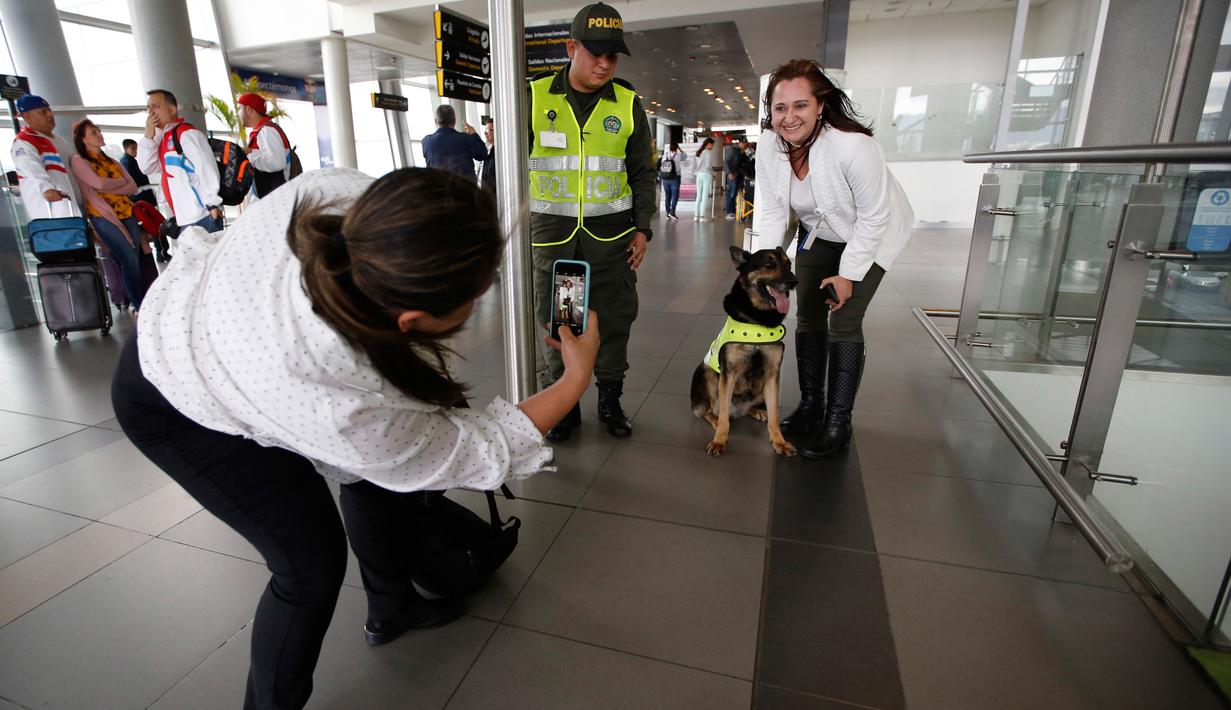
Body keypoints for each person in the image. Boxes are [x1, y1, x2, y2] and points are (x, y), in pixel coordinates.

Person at [111, 166, 600, 709]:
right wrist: (575, 378)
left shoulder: (338, 194)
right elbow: (482, 449)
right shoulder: (340, 406)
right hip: (174, 396)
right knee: (308, 566)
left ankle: (391, 606)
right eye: (477, 295)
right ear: (411, 318)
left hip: (236, 343)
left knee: (375, 482)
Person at [752, 59, 913, 459]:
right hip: (820, 232)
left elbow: (875, 216)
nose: (789, 117)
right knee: (806, 313)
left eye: (800, 105)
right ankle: (811, 405)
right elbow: (773, 209)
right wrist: (766, 268)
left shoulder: (853, 146)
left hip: (872, 234)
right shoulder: (771, 147)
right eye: (779, 108)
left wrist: (849, 273)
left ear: (821, 104)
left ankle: (838, 421)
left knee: (843, 318)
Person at [526, 1, 655, 441]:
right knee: (561, 325)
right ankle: (562, 406)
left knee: (614, 323)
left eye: (612, 56)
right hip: (555, 242)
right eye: (594, 53)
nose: (603, 63)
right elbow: (509, 169)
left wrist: (643, 228)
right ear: (571, 47)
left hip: (612, 240)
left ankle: (609, 399)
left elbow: (641, 171)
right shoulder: (535, 96)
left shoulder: (628, 102)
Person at [70, 120, 149, 312]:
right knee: (128, 258)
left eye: (98, 130)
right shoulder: (79, 161)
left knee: (134, 256)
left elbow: (131, 186)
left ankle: (138, 300)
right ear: (83, 139)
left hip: (126, 211)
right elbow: (98, 184)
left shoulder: (112, 161)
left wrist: (113, 184)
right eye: (93, 132)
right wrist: (118, 182)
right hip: (104, 216)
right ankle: (139, 304)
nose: (98, 134)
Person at [136, 89, 224, 233]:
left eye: (155, 106)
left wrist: (212, 205)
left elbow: (206, 169)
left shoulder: (186, 134)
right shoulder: (161, 140)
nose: (150, 112)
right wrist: (148, 137)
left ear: (172, 109)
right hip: (184, 217)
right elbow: (147, 168)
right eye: (148, 107)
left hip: (202, 215)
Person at [9, 95, 81, 221]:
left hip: (75, 209)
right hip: (52, 214)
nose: (50, 115)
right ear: (27, 116)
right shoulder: (24, 142)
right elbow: (31, 169)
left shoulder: (58, 139)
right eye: (43, 112)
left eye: (49, 110)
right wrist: (47, 189)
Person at [121, 138, 169, 262]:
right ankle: (161, 252)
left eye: (136, 148)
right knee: (154, 225)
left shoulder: (130, 161)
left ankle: (161, 252)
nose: (136, 151)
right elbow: (134, 184)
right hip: (142, 200)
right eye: (133, 148)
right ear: (126, 149)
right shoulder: (128, 162)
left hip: (142, 199)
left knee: (153, 226)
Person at [237, 92, 292, 200]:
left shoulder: (267, 130)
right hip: (272, 195)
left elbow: (276, 163)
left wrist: (250, 153)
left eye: (239, 109)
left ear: (249, 110)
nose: (237, 114)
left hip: (276, 197)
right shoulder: (263, 130)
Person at [421, 104, 487, 178]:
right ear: (454, 120)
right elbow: (483, 154)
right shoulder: (466, 139)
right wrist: (474, 134)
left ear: (436, 121)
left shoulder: (426, 142)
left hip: (438, 188)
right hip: (464, 188)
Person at [691, 137, 715, 223]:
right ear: (709, 144)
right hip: (706, 175)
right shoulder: (707, 152)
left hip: (699, 175)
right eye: (712, 145)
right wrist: (713, 173)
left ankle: (696, 216)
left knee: (698, 196)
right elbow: (708, 166)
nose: (712, 147)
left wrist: (696, 172)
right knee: (704, 196)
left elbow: (693, 165)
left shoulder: (699, 152)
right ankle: (702, 216)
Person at [658, 141, 684, 220]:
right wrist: (680, 149)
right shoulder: (679, 155)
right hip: (675, 178)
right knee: (675, 196)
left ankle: (668, 213)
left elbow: (662, 164)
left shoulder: (665, 155)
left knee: (667, 196)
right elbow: (685, 156)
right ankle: (672, 212)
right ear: (676, 148)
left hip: (665, 178)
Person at [723, 139, 748, 220]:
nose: (744, 145)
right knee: (731, 193)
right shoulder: (733, 150)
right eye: (743, 143)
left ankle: (733, 211)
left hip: (738, 175)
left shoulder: (742, 152)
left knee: (735, 194)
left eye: (745, 143)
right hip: (732, 175)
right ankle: (729, 212)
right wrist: (729, 173)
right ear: (739, 143)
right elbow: (726, 162)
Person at [480, 118, 496, 193]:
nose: (486, 133)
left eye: (490, 130)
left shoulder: (499, 153)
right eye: (486, 130)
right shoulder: (487, 151)